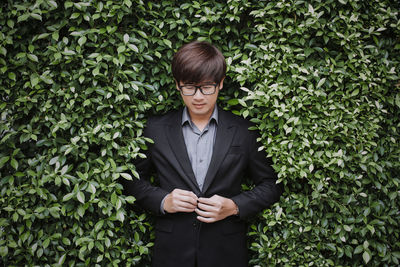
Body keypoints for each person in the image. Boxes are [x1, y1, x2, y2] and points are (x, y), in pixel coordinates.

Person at [123, 41, 282, 267]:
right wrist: (162, 200)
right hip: (171, 253)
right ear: (178, 85)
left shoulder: (244, 131)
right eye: (189, 86)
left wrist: (235, 206)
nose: (198, 96)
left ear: (221, 84)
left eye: (207, 87)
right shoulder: (155, 129)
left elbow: (271, 183)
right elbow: (130, 179)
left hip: (226, 253)